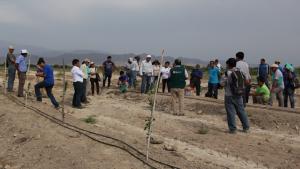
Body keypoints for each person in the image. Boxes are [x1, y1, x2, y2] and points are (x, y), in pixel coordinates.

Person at [222, 58, 250, 134]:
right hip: (239, 94)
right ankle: (246, 127)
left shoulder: (227, 73)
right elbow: (246, 81)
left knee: (231, 112)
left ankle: (233, 129)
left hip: (229, 95)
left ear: (228, 64)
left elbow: (222, 83)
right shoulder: (239, 71)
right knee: (241, 111)